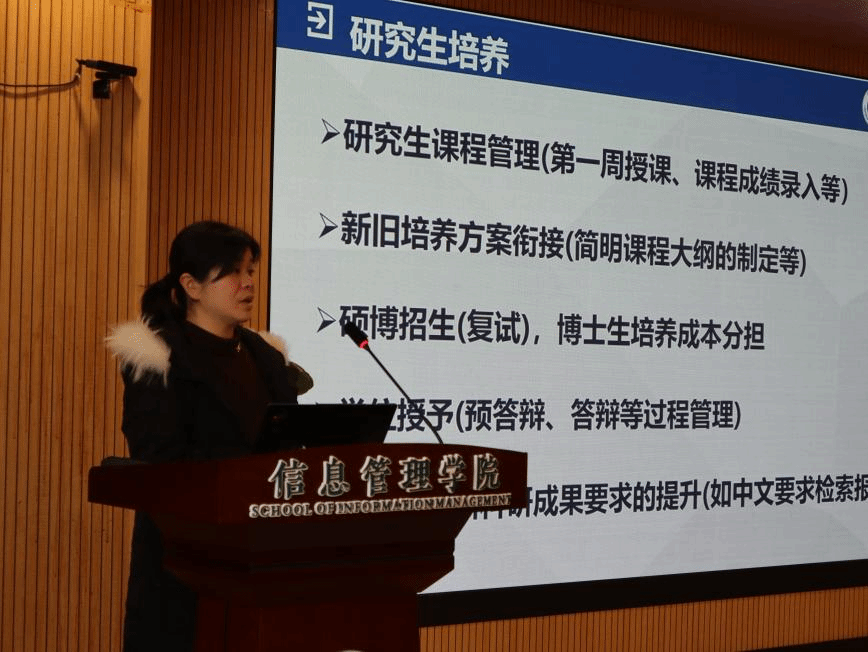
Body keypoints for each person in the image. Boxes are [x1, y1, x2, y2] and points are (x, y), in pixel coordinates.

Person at [105, 220, 313, 652]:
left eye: (250, 270)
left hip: (264, 557)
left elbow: (288, 441)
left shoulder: (264, 355)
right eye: (233, 272)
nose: (248, 283)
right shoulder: (159, 355)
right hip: (185, 562)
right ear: (191, 285)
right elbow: (159, 457)